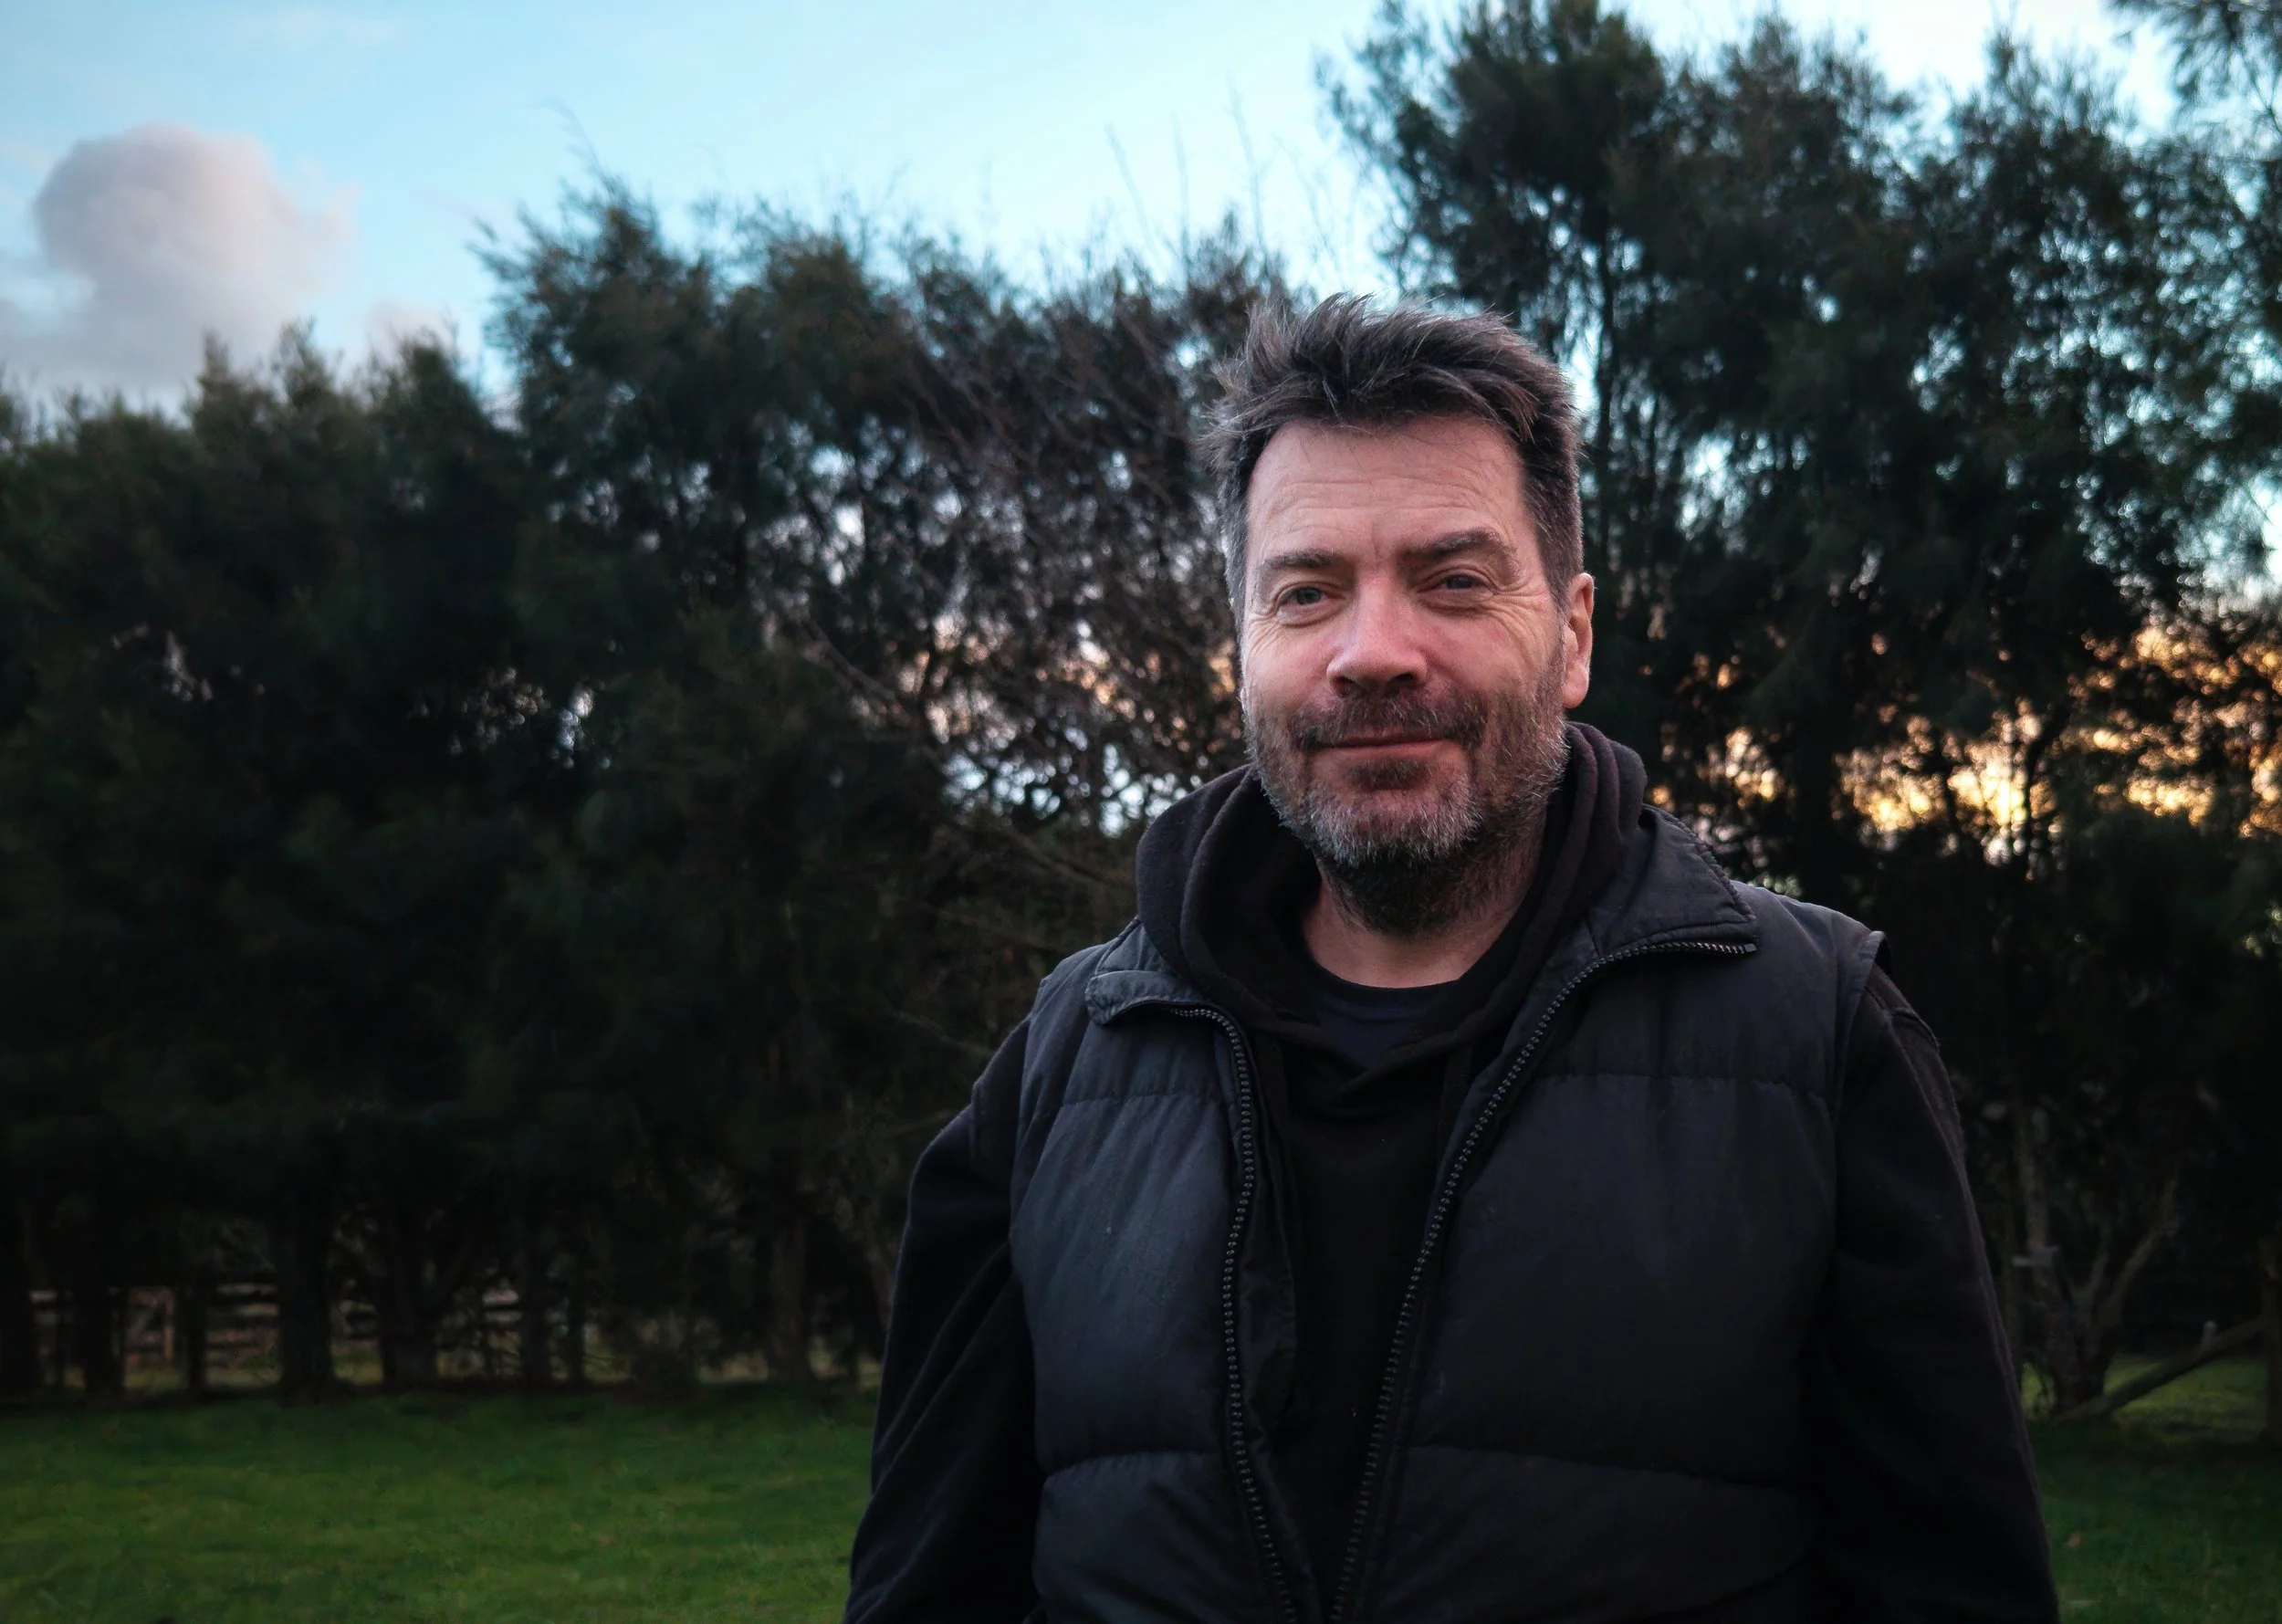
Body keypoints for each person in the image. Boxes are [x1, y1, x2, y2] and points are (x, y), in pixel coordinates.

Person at [844, 298, 2057, 1624]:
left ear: (1574, 635)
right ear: (1241, 647)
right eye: (1306, 593)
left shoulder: (1818, 1038)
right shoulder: (1064, 1061)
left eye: (1454, 580)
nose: (1371, 654)